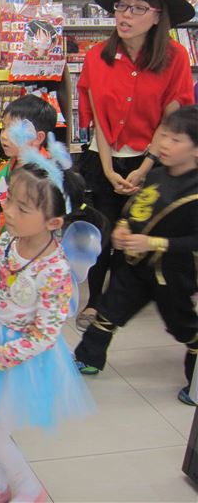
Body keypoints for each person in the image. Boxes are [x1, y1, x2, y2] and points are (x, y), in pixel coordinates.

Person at [0, 157, 95, 503]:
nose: (8, 211)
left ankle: (29, 490)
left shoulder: (55, 271)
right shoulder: (8, 242)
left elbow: (44, 336)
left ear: (53, 222)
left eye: (22, 208)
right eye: (9, 199)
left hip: (23, 360)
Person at [75, 0, 195, 331]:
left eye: (137, 8)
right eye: (121, 6)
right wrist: (108, 169)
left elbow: (171, 119)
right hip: (104, 156)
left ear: (158, 16)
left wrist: (146, 167)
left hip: (151, 158)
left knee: (135, 232)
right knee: (102, 232)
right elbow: (98, 117)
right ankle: (94, 303)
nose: (125, 15)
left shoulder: (175, 57)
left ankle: (123, 302)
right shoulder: (98, 56)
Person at [74, 105, 198, 406]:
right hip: (135, 264)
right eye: (164, 136)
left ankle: (195, 380)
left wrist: (152, 242)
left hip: (173, 273)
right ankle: (87, 357)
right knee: (109, 310)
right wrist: (122, 227)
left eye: (176, 140)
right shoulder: (156, 175)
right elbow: (135, 209)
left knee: (183, 327)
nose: (165, 144)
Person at [0, 94, 57, 233]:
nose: (4, 136)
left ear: (38, 138)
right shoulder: (12, 163)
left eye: (13, 131)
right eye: (3, 127)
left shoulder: (43, 177)